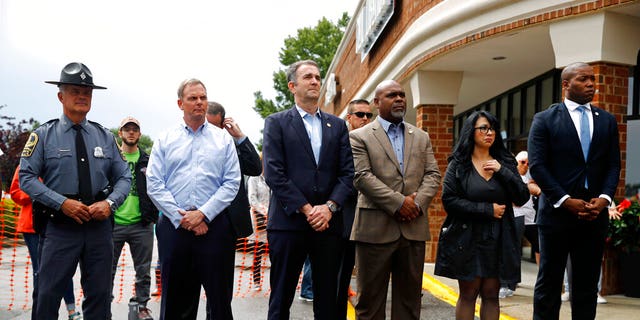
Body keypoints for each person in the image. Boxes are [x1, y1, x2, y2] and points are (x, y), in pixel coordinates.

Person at [19, 62, 131, 319]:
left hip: (98, 226)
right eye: (74, 91)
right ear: (61, 96)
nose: (82, 96)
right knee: (47, 295)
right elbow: (26, 178)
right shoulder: (43, 136)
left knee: (100, 296)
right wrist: (61, 203)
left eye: (87, 92)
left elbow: (125, 176)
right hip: (60, 227)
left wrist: (111, 203)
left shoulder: (104, 136)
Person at [262, 59, 354, 320]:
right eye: (308, 77)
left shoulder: (337, 126)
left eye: (317, 77)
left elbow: (348, 173)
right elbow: (274, 173)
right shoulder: (276, 123)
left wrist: (329, 208)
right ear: (292, 86)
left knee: (328, 300)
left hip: (328, 226)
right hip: (288, 224)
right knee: (281, 298)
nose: (315, 81)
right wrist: (307, 209)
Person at [529, 62, 621, 320]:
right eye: (583, 79)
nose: (591, 83)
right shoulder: (545, 119)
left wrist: (604, 199)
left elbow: (613, 165)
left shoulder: (607, 121)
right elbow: (538, 165)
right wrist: (564, 199)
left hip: (594, 216)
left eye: (593, 79)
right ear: (566, 85)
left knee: (586, 287)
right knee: (549, 283)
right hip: (557, 215)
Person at [146, 78, 240, 320]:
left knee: (219, 302)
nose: (199, 103)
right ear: (180, 103)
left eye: (203, 97)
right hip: (175, 229)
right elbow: (154, 184)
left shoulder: (223, 139)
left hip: (215, 227)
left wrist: (203, 214)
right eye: (193, 98)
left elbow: (231, 183)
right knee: (176, 302)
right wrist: (184, 218)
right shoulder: (165, 139)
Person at [350, 80, 442, 320]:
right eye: (392, 95)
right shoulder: (359, 137)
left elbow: (433, 175)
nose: (400, 98)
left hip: (413, 228)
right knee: (369, 304)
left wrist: (418, 203)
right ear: (377, 103)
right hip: (374, 230)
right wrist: (400, 203)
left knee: (410, 304)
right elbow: (362, 177)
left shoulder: (421, 136)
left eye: (402, 94)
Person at [434, 110, 529, 320]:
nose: (489, 133)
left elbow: (522, 197)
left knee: (491, 295)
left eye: (492, 128)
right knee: (468, 294)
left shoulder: (505, 161)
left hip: (498, 238)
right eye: (483, 128)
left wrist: (501, 170)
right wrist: (487, 210)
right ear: (471, 131)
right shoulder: (459, 164)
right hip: (467, 237)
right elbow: (449, 200)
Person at [10, 165, 83, 320]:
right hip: (31, 227)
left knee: (63, 268)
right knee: (40, 271)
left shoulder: (60, 161)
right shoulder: (25, 165)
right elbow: (15, 193)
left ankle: (71, 310)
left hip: (58, 224)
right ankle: (39, 313)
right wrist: (38, 194)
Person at [110, 116, 158, 320]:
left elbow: (157, 188)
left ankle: (141, 306)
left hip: (141, 224)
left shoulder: (148, 160)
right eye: (126, 129)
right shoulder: (112, 159)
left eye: (134, 129)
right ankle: (104, 306)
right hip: (113, 224)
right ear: (120, 133)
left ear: (139, 134)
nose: (131, 132)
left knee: (143, 271)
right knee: (105, 270)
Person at [336, 98, 372, 318]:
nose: (365, 119)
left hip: (374, 220)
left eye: (369, 115)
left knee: (370, 280)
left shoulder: (377, 142)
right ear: (349, 118)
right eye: (360, 115)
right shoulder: (341, 142)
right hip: (346, 221)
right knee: (340, 279)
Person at [499, 150, 541, 298]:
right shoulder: (511, 176)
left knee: (538, 247)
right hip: (515, 216)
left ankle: (514, 282)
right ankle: (509, 283)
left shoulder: (530, 176)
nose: (525, 165)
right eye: (522, 162)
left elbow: (533, 189)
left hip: (529, 218)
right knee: (511, 249)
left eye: (528, 163)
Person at [246, 159, 270, 291]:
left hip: (272, 217)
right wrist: (265, 211)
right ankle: (256, 281)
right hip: (258, 217)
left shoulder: (271, 177)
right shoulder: (253, 179)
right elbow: (252, 198)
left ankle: (275, 281)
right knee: (258, 250)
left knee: (275, 250)